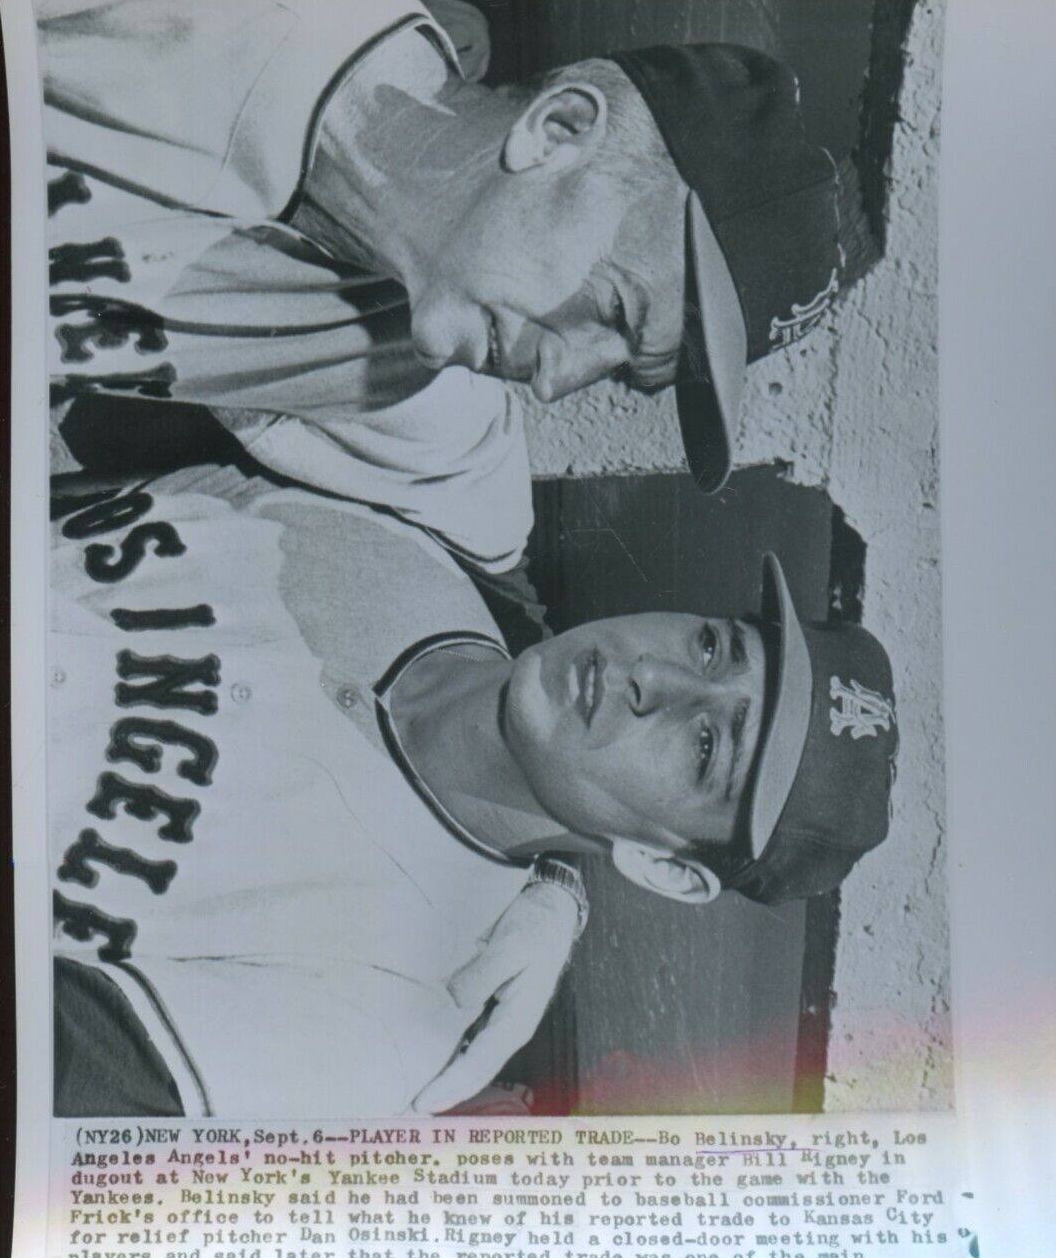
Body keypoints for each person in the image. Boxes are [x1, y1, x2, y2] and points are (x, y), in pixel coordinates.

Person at [50, 451, 897, 1120]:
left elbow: (24, 1055)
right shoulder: (407, 553)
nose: (655, 679)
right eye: (712, 649)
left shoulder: (387, 1020)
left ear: (664, 868)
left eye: (707, 746)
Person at [37, 0, 845, 596]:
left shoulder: (417, 379)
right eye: (613, 311)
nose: (558, 380)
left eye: (621, 374)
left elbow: (495, 581)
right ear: (557, 129)